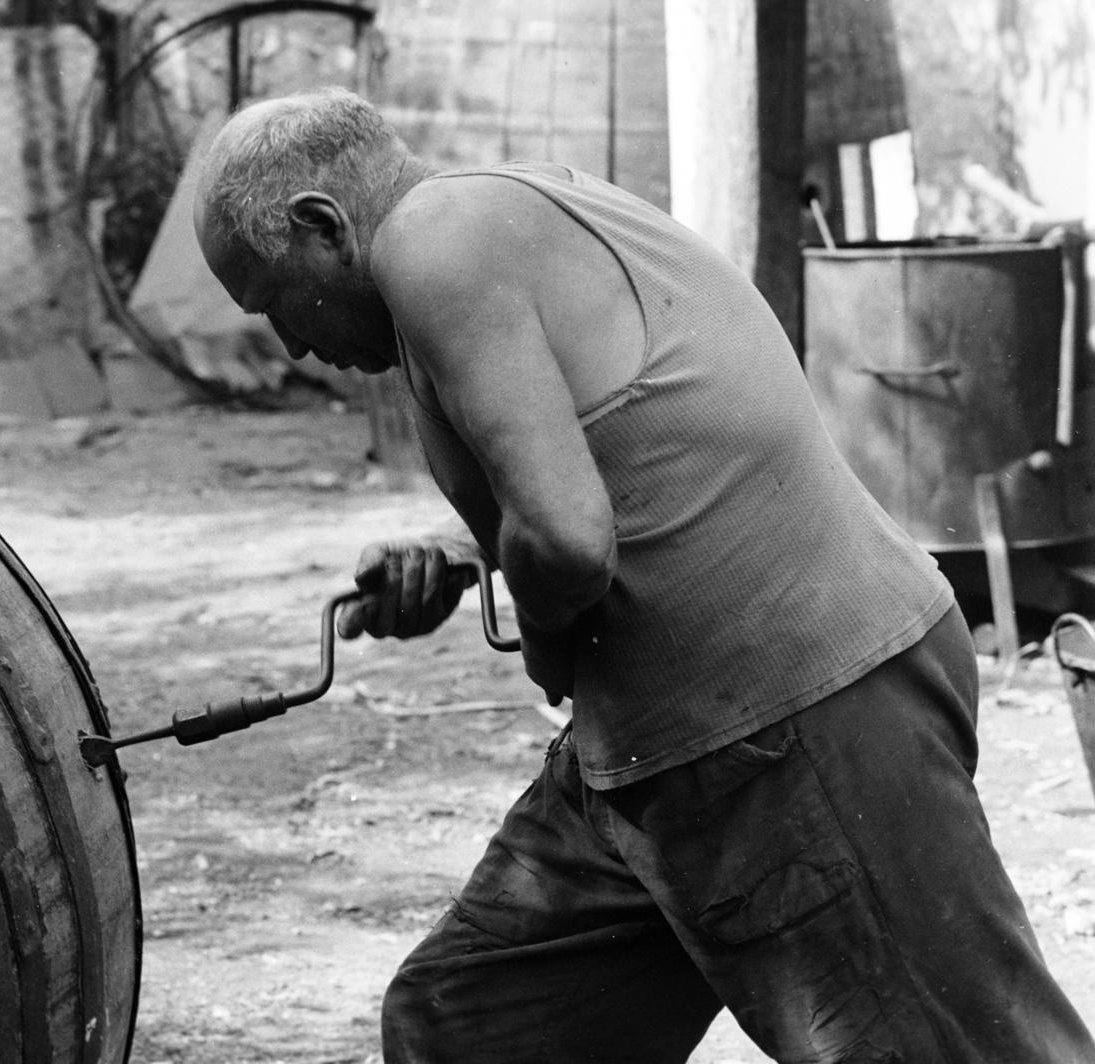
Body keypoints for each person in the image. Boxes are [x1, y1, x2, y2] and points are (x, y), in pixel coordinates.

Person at [191, 86, 1095, 1063]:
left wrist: (543, 633)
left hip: (792, 711)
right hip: (664, 741)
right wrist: (463, 549)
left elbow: (571, 537)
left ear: (321, 225)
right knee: (475, 1023)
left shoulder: (429, 237)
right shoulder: (492, 219)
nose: (288, 344)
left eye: (271, 296)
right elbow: (625, 435)